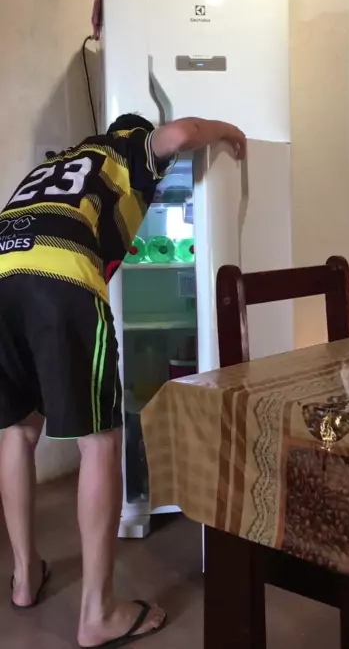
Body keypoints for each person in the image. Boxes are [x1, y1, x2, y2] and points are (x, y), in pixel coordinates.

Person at [0, 113, 246, 648]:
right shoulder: (126, 151)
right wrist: (228, 131)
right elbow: (182, 134)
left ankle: (23, 578)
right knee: (101, 442)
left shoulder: (64, 162)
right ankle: (98, 613)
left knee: (17, 430)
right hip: (61, 277)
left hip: (4, 272)